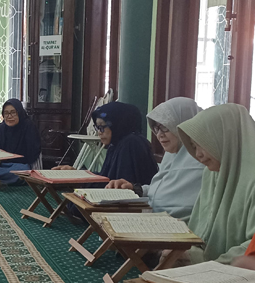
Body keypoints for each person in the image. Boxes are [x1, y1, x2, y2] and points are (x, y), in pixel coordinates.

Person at [177, 103, 255, 264]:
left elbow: (250, 250)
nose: (198, 154)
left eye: (201, 145)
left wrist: (209, 263)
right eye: (193, 146)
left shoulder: (251, 181)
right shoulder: (212, 173)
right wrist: (186, 253)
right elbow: (201, 228)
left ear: (224, 139)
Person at [106, 97, 204, 221]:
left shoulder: (201, 160)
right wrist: (135, 188)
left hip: (175, 227)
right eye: (156, 128)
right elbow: (161, 190)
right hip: (156, 218)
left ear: (184, 124)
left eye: (166, 126)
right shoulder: (172, 154)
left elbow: (183, 207)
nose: (159, 134)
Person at [54, 101, 158, 186]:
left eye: (102, 127)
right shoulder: (116, 144)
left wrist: (78, 178)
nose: (99, 132)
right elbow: (106, 178)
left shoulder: (131, 144)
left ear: (118, 124)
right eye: (97, 127)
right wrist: (76, 174)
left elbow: (119, 188)